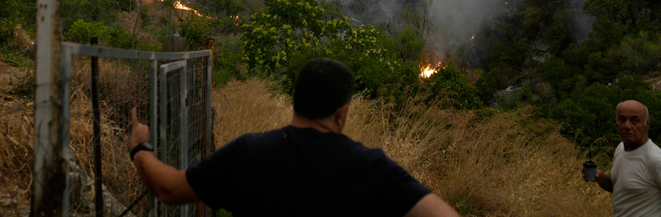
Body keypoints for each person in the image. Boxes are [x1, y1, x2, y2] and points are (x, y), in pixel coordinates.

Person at [128, 57, 461, 217]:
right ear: (341, 113)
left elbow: (168, 188)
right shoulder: (370, 167)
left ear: (294, 96)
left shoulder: (248, 153)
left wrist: (140, 146)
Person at [584, 99, 661, 217]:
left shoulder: (656, 160)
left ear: (647, 124)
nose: (627, 126)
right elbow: (622, 189)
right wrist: (600, 178)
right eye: (622, 119)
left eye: (635, 121)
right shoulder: (621, 149)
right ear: (617, 122)